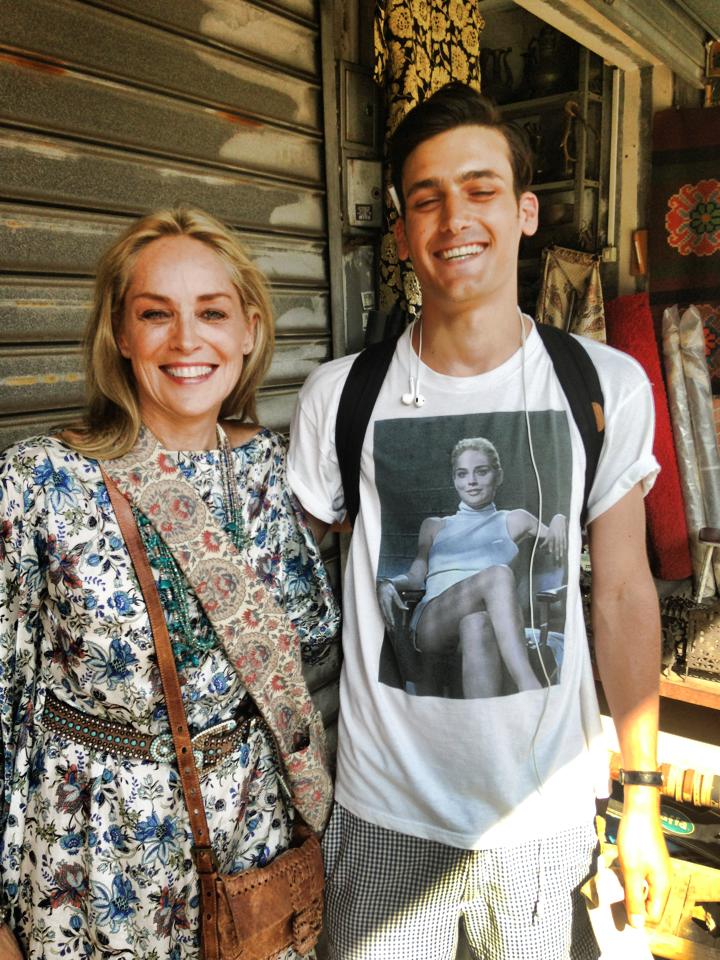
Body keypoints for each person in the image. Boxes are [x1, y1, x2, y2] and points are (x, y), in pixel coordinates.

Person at [288, 82, 670, 959]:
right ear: (402, 233)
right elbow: (294, 595)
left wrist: (643, 796)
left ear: (525, 212)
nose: (455, 217)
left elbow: (620, 594)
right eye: (427, 199)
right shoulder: (339, 398)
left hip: (545, 813)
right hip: (384, 812)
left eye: (480, 189)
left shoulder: (603, 385)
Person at [0, 206, 339, 959]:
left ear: (249, 331)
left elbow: (311, 638)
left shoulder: (264, 468)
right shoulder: (41, 481)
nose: (187, 340)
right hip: (95, 858)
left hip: (251, 842)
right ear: (121, 334)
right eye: (156, 314)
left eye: (212, 312)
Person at [378, 435, 567, 697]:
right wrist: (389, 583)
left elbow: (563, 546)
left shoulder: (515, 520)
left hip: (484, 618)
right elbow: (415, 576)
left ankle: (482, 717)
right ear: (454, 480)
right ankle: (530, 688)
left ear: (498, 475)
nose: (471, 481)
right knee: (498, 574)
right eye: (462, 474)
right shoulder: (435, 525)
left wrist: (559, 518)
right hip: (434, 623)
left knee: (477, 623)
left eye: (481, 471)